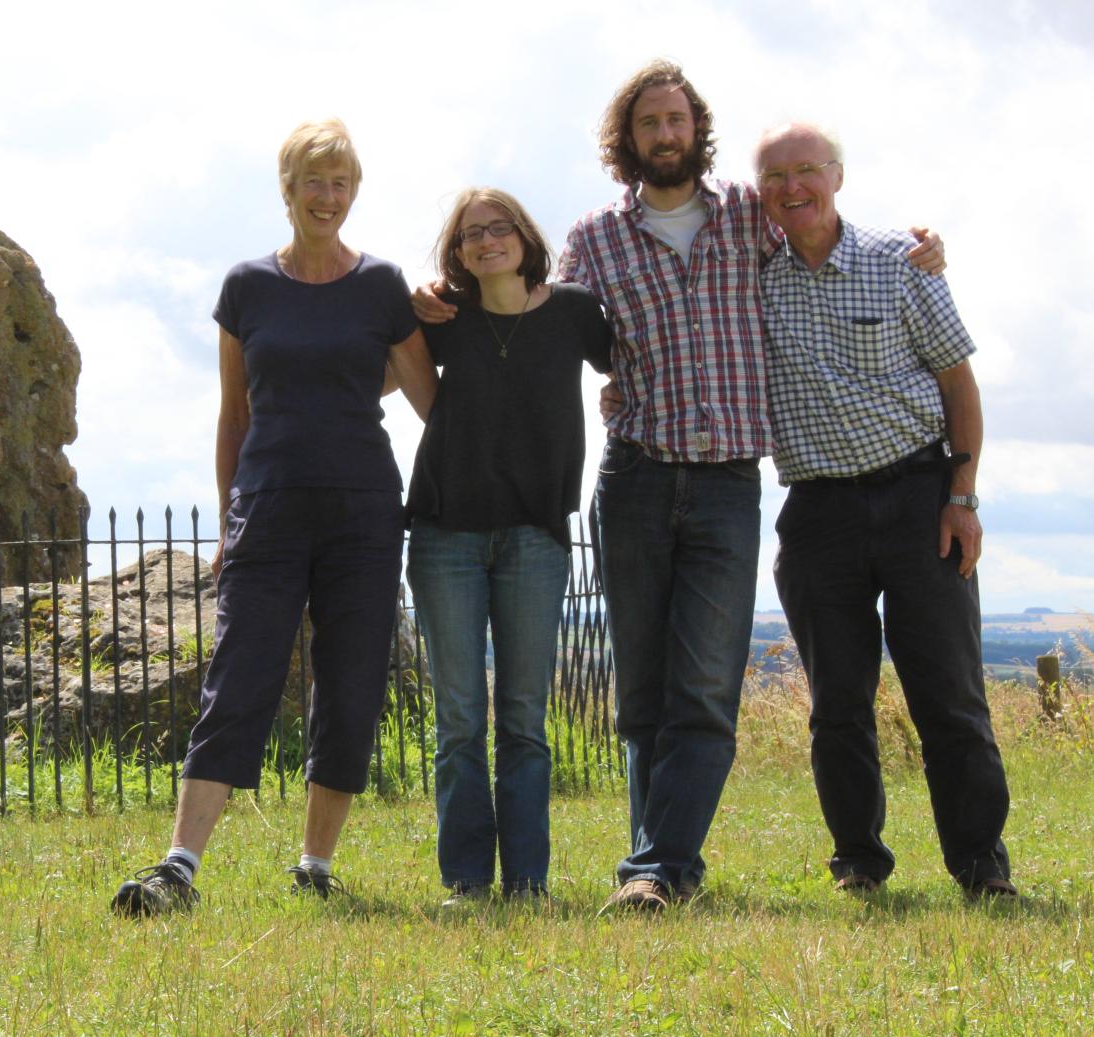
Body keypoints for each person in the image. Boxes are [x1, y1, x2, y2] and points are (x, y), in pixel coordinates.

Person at [416, 59, 943, 913]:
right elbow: (527, 306)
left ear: (697, 129)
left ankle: (657, 867)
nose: (664, 135)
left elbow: (824, 230)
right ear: (625, 143)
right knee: (641, 698)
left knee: (704, 690)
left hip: (730, 482)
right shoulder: (594, 238)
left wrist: (917, 246)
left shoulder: (749, 215)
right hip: (634, 478)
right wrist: (432, 293)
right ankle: (653, 865)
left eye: (676, 120)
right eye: (646, 124)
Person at [111, 118, 437, 917]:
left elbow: (434, 402)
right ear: (286, 189)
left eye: (342, 183)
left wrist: (462, 321)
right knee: (239, 676)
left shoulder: (382, 287)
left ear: (353, 192)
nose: (328, 197)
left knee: (352, 681)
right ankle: (178, 866)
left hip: (364, 511)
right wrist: (229, 522)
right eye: (314, 182)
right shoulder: (246, 287)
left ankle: (314, 863)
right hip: (268, 508)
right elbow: (233, 417)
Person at [755, 122, 1014, 899]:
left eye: (807, 170)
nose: (792, 187)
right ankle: (858, 863)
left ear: (836, 175)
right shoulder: (748, 277)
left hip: (918, 496)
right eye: (774, 176)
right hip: (815, 511)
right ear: (757, 192)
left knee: (950, 696)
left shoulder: (900, 262)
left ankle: (979, 864)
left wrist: (961, 497)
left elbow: (956, 383)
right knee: (837, 703)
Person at [405, 188, 612, 907]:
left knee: (524, 715)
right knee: (458, 717)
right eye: (470, 234)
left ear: (524, 237)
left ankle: (527, 883)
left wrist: (617, 403)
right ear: (455, 253)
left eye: (498, 229)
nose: (486, 241)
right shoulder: (442, 317)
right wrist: (410, 306)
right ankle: (465, 880)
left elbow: (636, 363)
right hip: (443, 533)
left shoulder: (575, 311)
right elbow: (382, 365)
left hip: (534, 534)